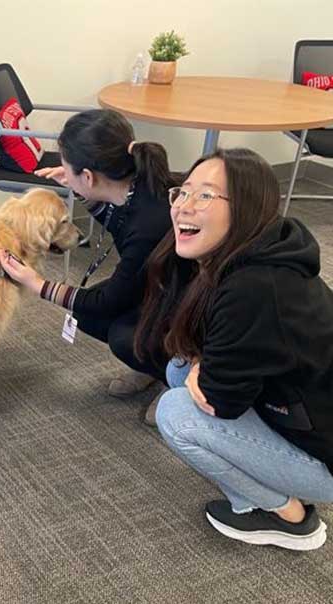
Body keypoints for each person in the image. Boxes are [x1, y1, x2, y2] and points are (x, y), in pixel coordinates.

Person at [136, 147, 333, 550]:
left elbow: (219, 401)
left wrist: (201, 374)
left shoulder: (255, 288)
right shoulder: (265, 247)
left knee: (176, 413)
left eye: (205, 196)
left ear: (244, 207)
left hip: (324, 451)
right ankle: (257, 498)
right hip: (301, 406)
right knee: (178, 370)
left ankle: (288, 517)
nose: (184, 207)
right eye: (183, 192)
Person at [0, 109, 174, 423]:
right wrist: (81, 190)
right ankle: (151, 365)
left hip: (190, 307)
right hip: (160, 287)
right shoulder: (140, 185)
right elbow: (121, 224)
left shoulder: (149, 223)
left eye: (66, 166)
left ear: (90, 176)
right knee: (84, 312)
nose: (61, 170)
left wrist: (38, 284)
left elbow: (111, 299)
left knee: (121, 334)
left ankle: (175, 377)